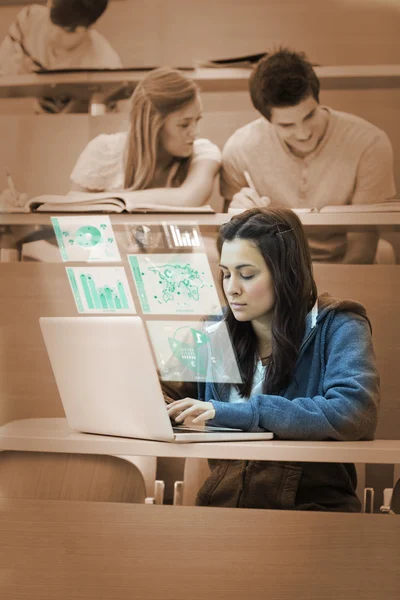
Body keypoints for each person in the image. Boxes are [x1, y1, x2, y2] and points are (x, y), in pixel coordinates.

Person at [167, 207, 380, 512]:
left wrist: (240, 412)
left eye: (247, 274)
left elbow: (353, 411)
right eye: (226, 273)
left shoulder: (339, 325)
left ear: (286, 272)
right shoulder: (216, 328)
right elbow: (169, 394)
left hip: (312, 510)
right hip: (223, 506)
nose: (231, 288)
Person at [221, 48, 396, 264]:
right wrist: (241, 220)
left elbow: (362, 248)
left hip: (343, 259)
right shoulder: (240, 148)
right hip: (274, 265)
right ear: (265, 119)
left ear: (317, 97)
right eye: (286, 125)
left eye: (309, 115)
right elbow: (227, 244)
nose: (303, 134)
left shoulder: (369, 142)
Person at [70, 67, 221, 208]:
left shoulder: (204, 153)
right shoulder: (103, 151)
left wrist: (104, 200)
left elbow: (188, 198)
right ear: (153, 126)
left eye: (197, 120)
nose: (195, 132)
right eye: (184, 125)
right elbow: (71, 216)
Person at [0, 0, 122, 75]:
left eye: (66, 30)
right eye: (51, 21)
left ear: (87, 27)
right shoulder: (28, 20)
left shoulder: (104, 65)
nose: (52, 34)